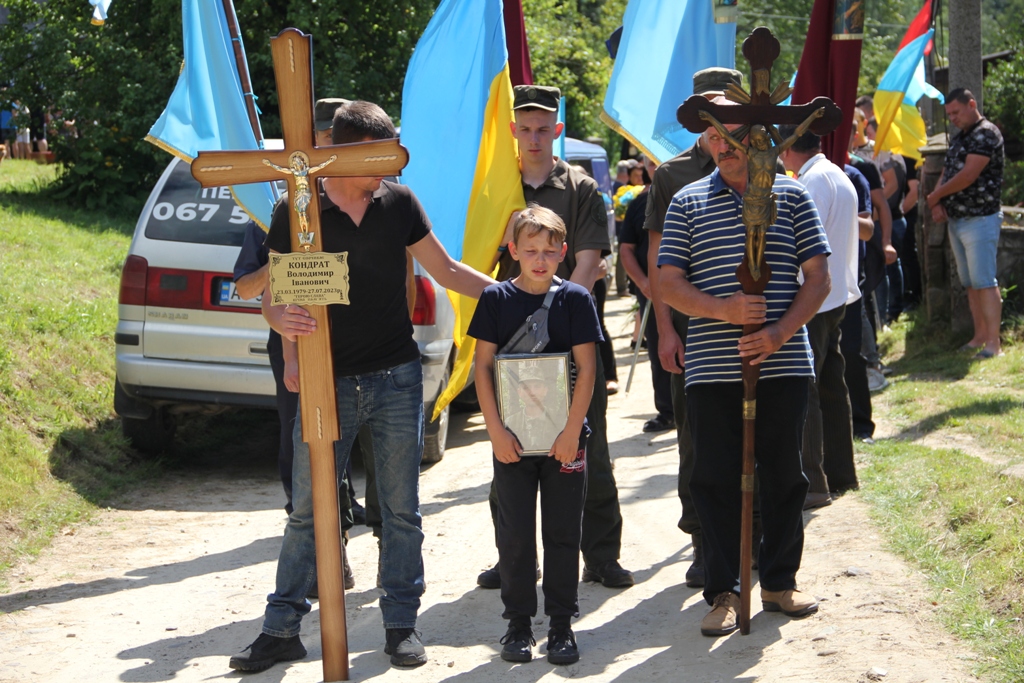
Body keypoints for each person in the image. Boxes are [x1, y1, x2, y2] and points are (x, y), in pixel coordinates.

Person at [229, 100, 496, 672]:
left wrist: (511, 295)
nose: (391, 166)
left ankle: (401, 625)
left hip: (396, 378)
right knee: (308, 509)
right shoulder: (299, 212)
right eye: (381, 155)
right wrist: (284, 326)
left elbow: (445, 270)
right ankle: (281, 629)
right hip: (328, 382)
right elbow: (275, 294)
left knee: (400, 510)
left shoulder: (398, 203)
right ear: (343, 153)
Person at [658, 114, 830, 637]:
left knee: (783, 475)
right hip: (712, 367)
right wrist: (723, 310)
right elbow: (667, 283)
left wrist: (777, 334)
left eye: (734, 136)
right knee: (713, 478)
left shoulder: (792, 196)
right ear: (706, 142)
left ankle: (778, 582)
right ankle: (725, 591)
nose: (725, 146)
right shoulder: (687, 201)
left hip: (783, 362)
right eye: (716, 137)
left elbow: (819, 279)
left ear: (758, 137)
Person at [479, 84, 632, 591]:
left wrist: (558, 313)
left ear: (557, 131)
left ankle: (602, 554)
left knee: (588, 447)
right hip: (511, 353)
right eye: (525, 128)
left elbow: (588, 261)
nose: (535, 137)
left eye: (544, 128)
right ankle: (511, 557)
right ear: (513, 132)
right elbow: (482, 264)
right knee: (510, 451)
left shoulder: (582, 188)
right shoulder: (495, 190)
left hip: (570, 342)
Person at [470, 206, 600, 665]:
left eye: (549, 251)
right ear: (514, 251)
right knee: (516, 534)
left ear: (564, 252)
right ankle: (518, 626)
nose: (540, 259)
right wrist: (494, 431)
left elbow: (587, 369)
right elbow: (481, 366)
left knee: (564, 532)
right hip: (511, 441)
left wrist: (570, 432)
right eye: (530, 250)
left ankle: (562, 626)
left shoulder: (577, 300)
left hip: (565, 440)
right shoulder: (496, 300)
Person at [642, 66, 742, 589]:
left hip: (756, 328)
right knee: (698, 441)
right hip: (695, 330)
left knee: (757, 437)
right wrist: (665, 328)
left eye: (725, 106)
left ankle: (755, 541)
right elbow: (659, 261)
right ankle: (704, 540)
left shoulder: (764, 164)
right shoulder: (672, 175)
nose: (715, 120)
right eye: (707, 109)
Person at [780, 126, 861, 506]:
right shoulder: (837, 174)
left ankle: (814, 482)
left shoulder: (811, 182)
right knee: (831, 384)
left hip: (814, 299)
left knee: (807, 389)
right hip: (836, 295)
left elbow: (802, 247)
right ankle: (842, 473)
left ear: (788, 149)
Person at [927, 88, 1005, 359]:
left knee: (984, 282)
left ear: (972, 104)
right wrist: (937, 202)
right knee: (971, 283)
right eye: (949, 114)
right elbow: (948, 171)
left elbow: (969, 175)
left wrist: (936, 195)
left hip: (980, 218)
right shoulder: (961, 137)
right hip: (958, 219)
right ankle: (980, 336)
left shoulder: (986, 133)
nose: (952, 119)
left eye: (956, 112)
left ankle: (994, 343)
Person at [619, 156, 674, 433]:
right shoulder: (640, 202)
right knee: (659, 348)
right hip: (652, 295)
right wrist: (643, 282)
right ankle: (667, 410)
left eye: (659, 161)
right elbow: (626, 248)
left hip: (689, 292)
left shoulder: (690, 193)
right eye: (650, 163)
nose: (656, 168)